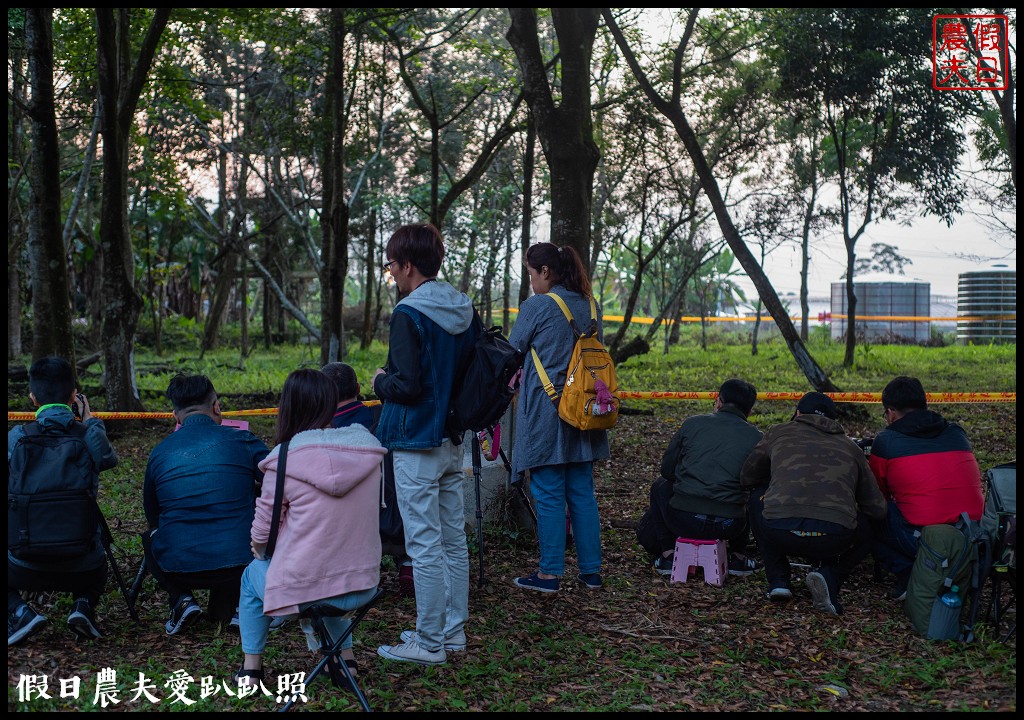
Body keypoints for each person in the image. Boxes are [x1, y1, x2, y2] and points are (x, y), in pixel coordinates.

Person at [236, 368, 385, 686]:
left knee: (252, 577)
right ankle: (345, 663)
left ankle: (251, 670)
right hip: (364, 584)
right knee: (331, 571)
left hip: (308, 591)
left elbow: (262, 534)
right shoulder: (367, 450)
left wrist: (261, 550)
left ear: (288, 407)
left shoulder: (284, 460)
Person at [373, 223, 477, 666]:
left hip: (415, 440)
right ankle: (452, 633)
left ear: (408, 266)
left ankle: (429, 641)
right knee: (454, 540)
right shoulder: (464, 309)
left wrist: (380, 382)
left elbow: (408, 386)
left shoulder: (408, 314)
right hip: (454, 439)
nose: (391, 273)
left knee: (424, 544)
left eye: (391, 265)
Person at [507, 242, 609, 594]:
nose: (531, 281)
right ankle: (591, 572)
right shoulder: (592, 305)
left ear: (545, 272)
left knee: (549, 493)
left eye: (531, 274)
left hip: (547, 411)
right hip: (585, 411)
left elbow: (512, 351)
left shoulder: (537, 306)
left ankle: (549, 574)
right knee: (582, 493)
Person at [142, 373, 269, 635]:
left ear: (176, 416)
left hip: (178, 567)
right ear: (216, 406)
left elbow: (152, 514)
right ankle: (241, 607)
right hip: (241, 562)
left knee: (150, 536)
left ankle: (181, 599)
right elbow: (280, 483)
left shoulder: (160, 452)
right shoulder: (244, 441)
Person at [740, 392, 885, 615]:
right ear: (835, 420)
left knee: (756, 497)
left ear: (797, 413)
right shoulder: (851, 448)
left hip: (779, 530)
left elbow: (747, 478)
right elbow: (876, 507)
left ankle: (778, 578)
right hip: (833, 538)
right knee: (874, 522)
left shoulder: (778, 433)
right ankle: (830, 574)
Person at [8, 357, 118, 645]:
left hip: (23, 563)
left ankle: (20, 612)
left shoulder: (17, 437)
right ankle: (83, 605)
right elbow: (108, 458)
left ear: (33, 398)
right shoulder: (87, 436)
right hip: (83, 565)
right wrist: (90, 419)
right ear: (74, 396)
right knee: (99, 558)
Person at [868, 376, 984, 601]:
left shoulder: (886, 440)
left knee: (872, 514)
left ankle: (911, 573)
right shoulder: (956, 433)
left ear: (891, 412)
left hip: (925, 539)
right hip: (973, 536)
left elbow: (876, 494)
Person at [636, 379, 763, 577]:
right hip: (730, 525)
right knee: (752, 493)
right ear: (750, 411)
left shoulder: (692, 424)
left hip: (683, 519)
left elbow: (667, 471)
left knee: (660, 486)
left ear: (718, 401)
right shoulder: (757, 437)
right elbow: (758, 481)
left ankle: (668, 553)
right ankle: (738, 556)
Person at [322, 361, 414, 598]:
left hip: (351, 532)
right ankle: (409, 566)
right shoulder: (386, 417)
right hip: (402, 522)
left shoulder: (321, 433)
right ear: (359, 387)